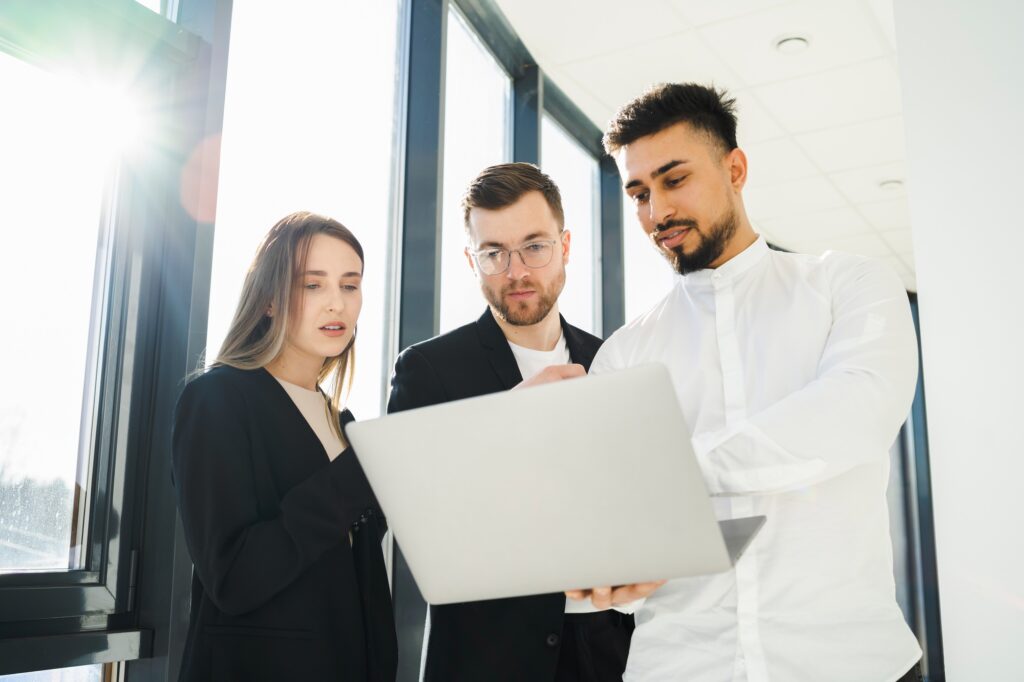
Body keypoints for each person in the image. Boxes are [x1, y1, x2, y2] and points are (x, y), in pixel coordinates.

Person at [568, 83, 924, 681]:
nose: (657, 213)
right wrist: (609, 568)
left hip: (851, 663)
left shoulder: (848, 285)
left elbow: (857, 412)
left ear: (735, 169)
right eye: (639, 194)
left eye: (674, 179)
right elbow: (622, 550)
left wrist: (676, 475)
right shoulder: (623, 355)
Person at [387, 162, 634, 682]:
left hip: (607, 654)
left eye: (534, 246)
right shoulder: (428, 369)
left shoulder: (613, 362)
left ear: (566, 247)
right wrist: (503, 425)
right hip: (486, 661)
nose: (516, 271)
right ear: (471, 261)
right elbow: (415, 525)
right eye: (494, 253)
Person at [171, 211, 397, 681]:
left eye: (350, 285)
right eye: (313, 285)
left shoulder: (343, 422)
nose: (336, 303)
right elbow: (231, 576)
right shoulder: (217, 399)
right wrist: (355, 476)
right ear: (270, 300)